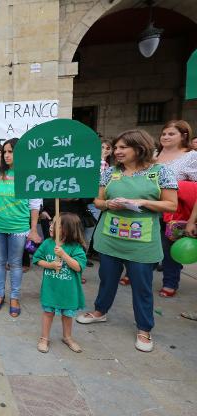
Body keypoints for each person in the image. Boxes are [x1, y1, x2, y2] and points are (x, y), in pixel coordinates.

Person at [76, 130, 178, 352]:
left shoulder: (160, 172)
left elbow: (171, 205)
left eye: (123, 147)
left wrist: (140, 201)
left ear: (139, 148)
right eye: (116, 147)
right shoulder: (110, 173)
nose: (117, 151)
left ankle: (144, 328)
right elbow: (98, 200)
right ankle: (100, 312)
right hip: (110, 238)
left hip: (142, 242)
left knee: (142, 286)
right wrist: (107, 204)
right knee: (107, 279)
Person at [0, 138, 42, 317]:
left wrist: (33, 229)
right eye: (5, 151)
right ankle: (0, 295)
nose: (6, 155)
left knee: (15, 263)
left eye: (11, 151)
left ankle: (14, 297)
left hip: (19, 227)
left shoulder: (29, 174)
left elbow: (35, 204)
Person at [33, 213, 87, 354]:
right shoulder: (47, 243)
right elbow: (37, 259)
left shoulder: (75, 248)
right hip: (51, 288)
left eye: (56, 224)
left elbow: (78, 266)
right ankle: (44, 338)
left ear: (68, 229)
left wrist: (63, 255)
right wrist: (49, 265)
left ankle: (67, 337)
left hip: (68, 290)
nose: (51, 226)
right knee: (48, 313)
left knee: (68, 314)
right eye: (51, 223)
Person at [154, 120, 196, 297]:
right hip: (150, 207)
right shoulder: (154, 154)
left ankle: (170, 282)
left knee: (168, 248)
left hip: (174, 212)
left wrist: (192, 221)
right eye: (164, 133)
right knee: (143, 243)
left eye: (171, 134)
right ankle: (132, 274)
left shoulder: (191, 156)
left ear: (184, 136)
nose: (166, 137)